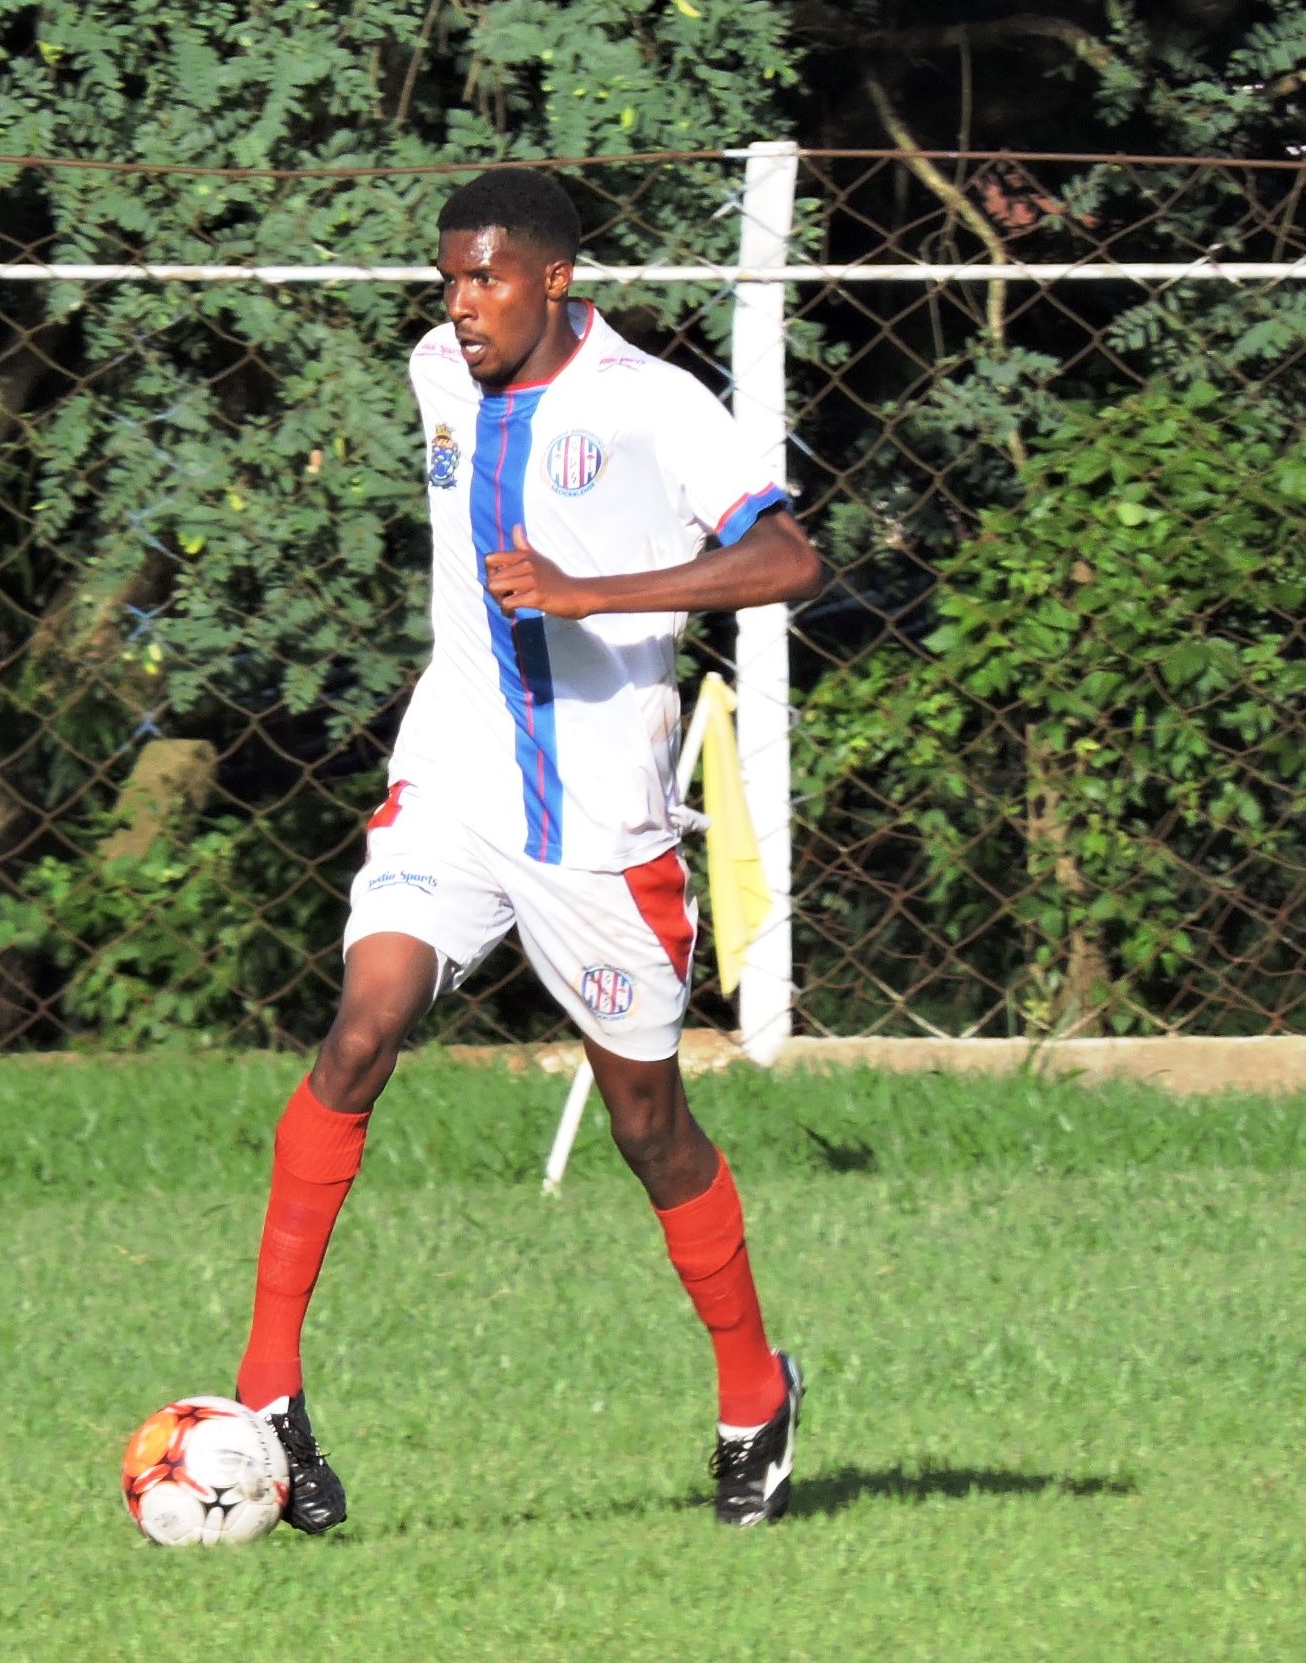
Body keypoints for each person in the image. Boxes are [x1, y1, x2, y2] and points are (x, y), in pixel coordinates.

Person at [234, 168, 827, 1531]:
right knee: (359, 1029)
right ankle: (269, 1390)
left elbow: (787, 560)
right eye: (447, 278)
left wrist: (589, 593)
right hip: (452, 781)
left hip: (599, 828)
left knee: (644, 1124)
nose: (458, 306)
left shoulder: (653, 406)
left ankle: (753, 1389)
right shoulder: (436, 370)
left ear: (554, 279)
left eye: (485, 279)